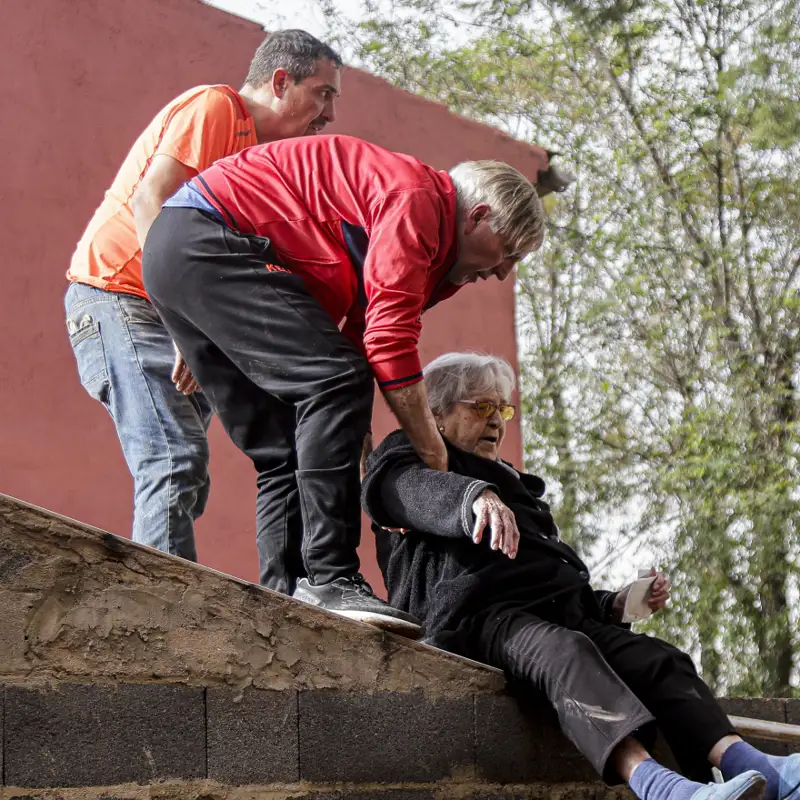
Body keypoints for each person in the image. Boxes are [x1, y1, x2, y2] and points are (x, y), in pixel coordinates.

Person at [140, 134, 544, 631]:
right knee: (336, 380)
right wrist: (434, 453)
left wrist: (358, 440)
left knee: (285, 446)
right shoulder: (417, 199)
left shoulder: (436, 257)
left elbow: (359, 329)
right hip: (210, 238)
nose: (503, 273)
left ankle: (283, 600)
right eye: (507, 253)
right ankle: (331, 578)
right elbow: (387, 342)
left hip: (178, 253)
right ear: (477, 216)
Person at [361, 352, 800, 800]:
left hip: (556, 618)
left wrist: (616, 603)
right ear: (436, 413)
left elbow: (545, 582)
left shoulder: (515, 484)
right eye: (481, 407)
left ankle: (758, 769)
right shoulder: (410, 457)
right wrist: (473, 497)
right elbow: (398, 491)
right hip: (477, 619)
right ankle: (664, 789)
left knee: (657, 659)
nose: (496, 421)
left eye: (503, 409)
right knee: (568, 651)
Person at [64, 30, 342, 566]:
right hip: (122, 301)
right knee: (173, 460)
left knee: (187, 473)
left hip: (175, 320)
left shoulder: (260, 162)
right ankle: (158, 615)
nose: (328, 114)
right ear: (280, 81)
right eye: (323, 93)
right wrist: (182, 326)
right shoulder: (218, 107)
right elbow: (153, 199)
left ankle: (167, 599)